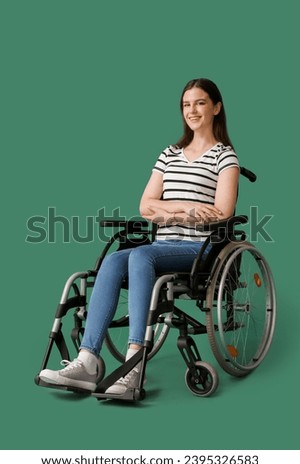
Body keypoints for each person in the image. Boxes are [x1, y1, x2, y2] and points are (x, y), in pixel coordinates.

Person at [39, 78, 240, 395]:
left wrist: (168, 209)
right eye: (186, 104)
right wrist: (186, 209)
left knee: (141, 254)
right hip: (162, 245)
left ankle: (135, 363)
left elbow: (222, 211)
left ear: (216, 107)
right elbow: (145, 206)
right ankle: (88, 361)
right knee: (117, 257)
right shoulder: (169, 154)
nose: (192, 110)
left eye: (200, 103)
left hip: (199, 248)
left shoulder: (224, 157)